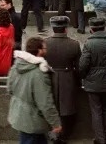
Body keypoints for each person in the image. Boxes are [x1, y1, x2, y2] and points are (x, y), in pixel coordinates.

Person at [7, 36, 61, 144]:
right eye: (45, 48)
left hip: (19, 115)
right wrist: (55, 123)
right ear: (39, 51)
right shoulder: (39, 73)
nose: (46, 50)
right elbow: (45, 102)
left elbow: (9, 88)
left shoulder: (17, 65)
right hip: (33, 120)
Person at [78, 16, 106, 144]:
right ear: (104, 27)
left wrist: (85, 76)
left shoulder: (89, 44)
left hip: (92, 83)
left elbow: (82, 66)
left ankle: (100, 139)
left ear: (91, 29)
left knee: (96, 111)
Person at [44, 16, 81, 144]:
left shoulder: (45, 43)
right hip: (68, 79)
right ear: (66, 28)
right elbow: (78, 67)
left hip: (50, 78)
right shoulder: (74, 44)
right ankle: (63, 136)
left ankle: (53, 134)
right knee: (67, 110)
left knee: (52, 107)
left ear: (53, 28)